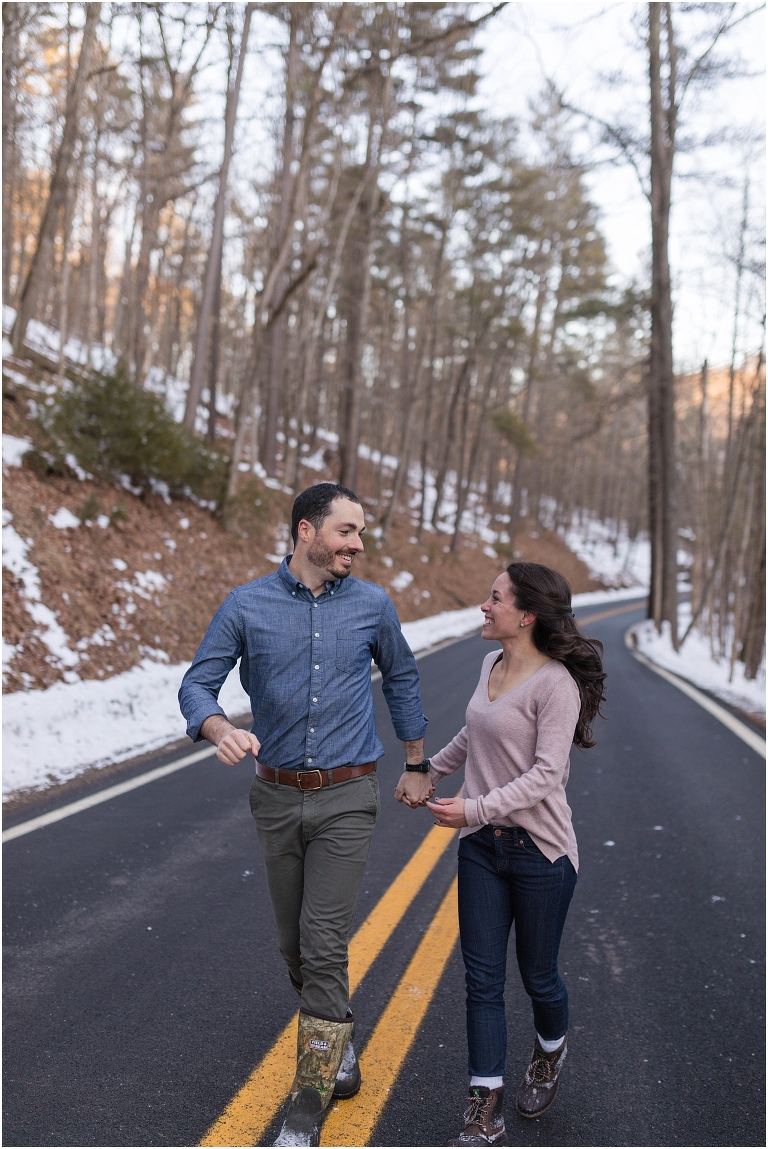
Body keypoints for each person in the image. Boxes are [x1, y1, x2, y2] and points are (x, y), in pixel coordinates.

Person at [178, 483, 431, 1148]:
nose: (357, 543)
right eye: (346, 530)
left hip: (348, 793)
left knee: (323, 941)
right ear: (304, 531)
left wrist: (415, 759)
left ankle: (309, 1100)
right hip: (275, 794)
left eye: (361, 534)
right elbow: (197, 682)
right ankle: (337, 1030)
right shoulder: (247, 605)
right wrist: (214, 726)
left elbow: (401, 676)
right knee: (295, 945)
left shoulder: (374, 605)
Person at [423, 562, 606, 1146]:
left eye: (494, 598)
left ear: (525, 615)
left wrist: (473, 809)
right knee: (481, 980)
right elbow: (473, 736)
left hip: (540, 852)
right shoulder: (489, 664)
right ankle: (484, 1108)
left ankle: (550, 1051)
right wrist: (422, 771)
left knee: (538, 977)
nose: (484, 605)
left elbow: (547, 775)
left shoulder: (556, 685)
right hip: (481, 851)